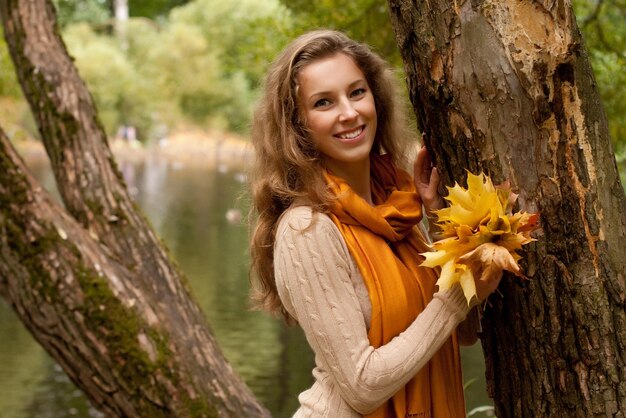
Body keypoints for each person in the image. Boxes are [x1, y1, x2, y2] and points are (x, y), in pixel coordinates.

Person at [249, 30, 501, 418]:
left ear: (376, 99)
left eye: (356, 92)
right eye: (323, 102)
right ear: (298, 126)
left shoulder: (395, 211)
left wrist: (438, 223)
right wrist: (452, 295)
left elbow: (460, 334)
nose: (348, 113)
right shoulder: (307, 229)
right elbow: (364, 386)